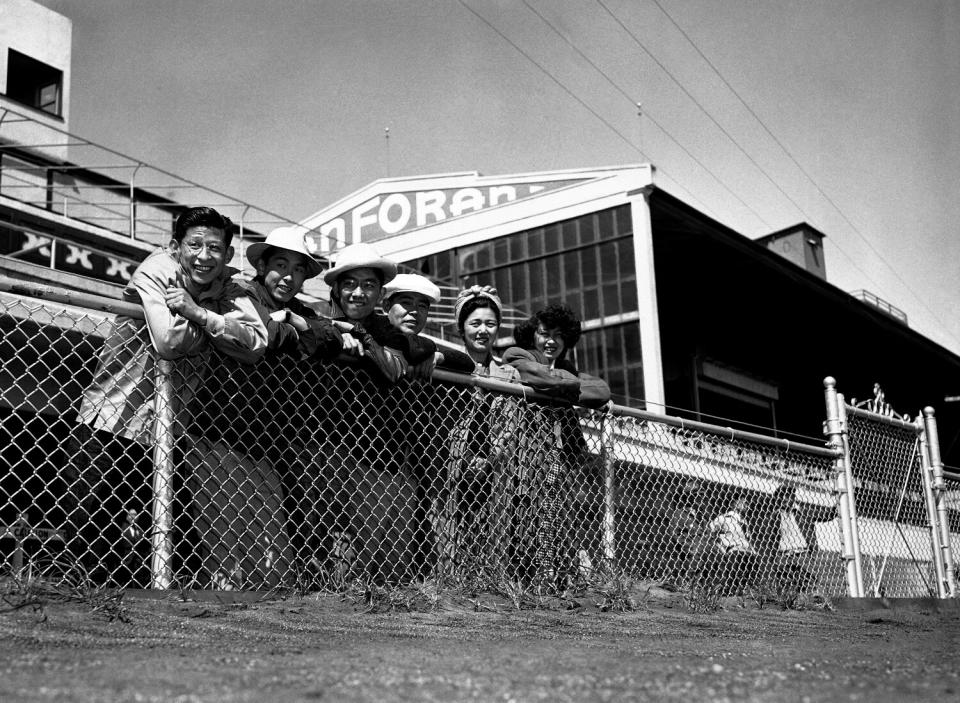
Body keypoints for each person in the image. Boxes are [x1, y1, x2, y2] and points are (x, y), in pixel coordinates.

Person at [64, 206, 268, 584]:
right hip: (110, 418)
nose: (204, 256)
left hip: (166, 427)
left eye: (214, 248)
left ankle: (165, 610)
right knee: (88, 527)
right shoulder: (157, 269)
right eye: (194, 245)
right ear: (177, 246)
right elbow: (170, 342)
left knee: (178, 537)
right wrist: (220, 322)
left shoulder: (231, 283)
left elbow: (256, 344)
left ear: (227, 254)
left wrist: (197, 312)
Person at [185, 225, 342, 588]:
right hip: (217, 432)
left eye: (299, 269)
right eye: (281, 265)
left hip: (265, 443)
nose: (288, 276)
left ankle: (262, 619)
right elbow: (264, 335)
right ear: (263, 265)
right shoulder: (240, 291)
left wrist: (294, 323)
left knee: (272, 553)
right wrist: (294, 333)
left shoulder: (299, 308)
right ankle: (222, 622)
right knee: (223, 542)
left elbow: (330, 337)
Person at [319, 242, 437, 583]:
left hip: (378, 459)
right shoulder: (318, 323)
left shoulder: (384, 331)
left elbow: (419, 345)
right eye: (350, 284)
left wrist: (433, 355)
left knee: (378, 561)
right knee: (330, 551)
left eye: (369, 285)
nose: (359, 293)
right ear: (337, 288)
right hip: (325, 453)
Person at [502, 303, 611, 586]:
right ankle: (522, 582)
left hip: (559, 459)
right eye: (545, 333)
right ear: (533, 335)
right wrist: (568, 385)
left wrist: (558, 381)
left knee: (555, 518)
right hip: (524, 459)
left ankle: (552, 580)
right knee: (525, 518)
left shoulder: (565, 367)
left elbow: (601, 389)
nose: (551, 341)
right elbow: (534, 375)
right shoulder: (518, 353)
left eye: (559, 336)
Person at [708, 495, 758, 595]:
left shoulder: (744, 521)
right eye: (742, 502)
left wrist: (754, 551)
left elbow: (747, 538)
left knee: (747, 579)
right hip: (734, 551)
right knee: (731, 578)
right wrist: (722, 549)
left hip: (747, 552)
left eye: (747, 503)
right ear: (733, 504)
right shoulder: (723, 518)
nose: (746, 505)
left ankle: (742, 594)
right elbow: (711, 534)